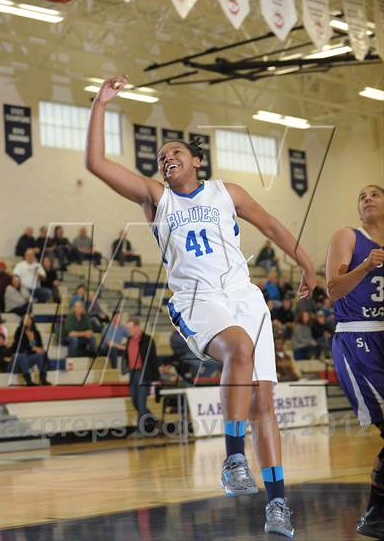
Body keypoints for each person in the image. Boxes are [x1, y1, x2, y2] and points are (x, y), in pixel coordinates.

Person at [85, 74, 317, 538]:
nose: (166, 159)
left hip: (245, 296)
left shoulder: (226, 192)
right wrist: (100, 104)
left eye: (174, 153)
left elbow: (271, 224)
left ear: (195, 160)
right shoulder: (156, 197)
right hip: (197, 298)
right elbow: (95, 162)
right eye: (160, 156)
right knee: (237, 350)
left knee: (264, 405)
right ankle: (233, 458)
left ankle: (277, 507)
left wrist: (308, 265)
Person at [326, 184, 384, 539]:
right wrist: (366, 265)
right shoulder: (348, 236)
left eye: (374, 194)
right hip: (358, 337)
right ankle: (375, 514)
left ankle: (376, 516)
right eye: (360, 195)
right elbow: (333, 289)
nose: (366, 198)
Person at [122, 317, 160, 437]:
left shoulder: (148, 340)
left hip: (144, 374)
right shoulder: (129, 340)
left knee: (141, 403)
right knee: (135, 402)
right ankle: (154, 420)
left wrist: (156, 378)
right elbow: (127, 356)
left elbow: (153, 359)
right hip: (133, 374)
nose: (129, 330)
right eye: (127, 328)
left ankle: (140, 431)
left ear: (137, 327)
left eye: (130, 328)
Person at [12, 313, 50, 386]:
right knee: (22, 355)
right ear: (22, 321)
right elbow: (22, 344)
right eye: (24, 319)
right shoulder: (19, 331)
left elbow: (40, 345)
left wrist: (40, 349)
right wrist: (34, 348)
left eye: (29, 319)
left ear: (32, 320)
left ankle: (43, 379)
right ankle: (29, 381)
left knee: (40, 355)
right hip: (22, 357)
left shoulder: (36, 332)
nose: (27, 320)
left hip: (31, 357)